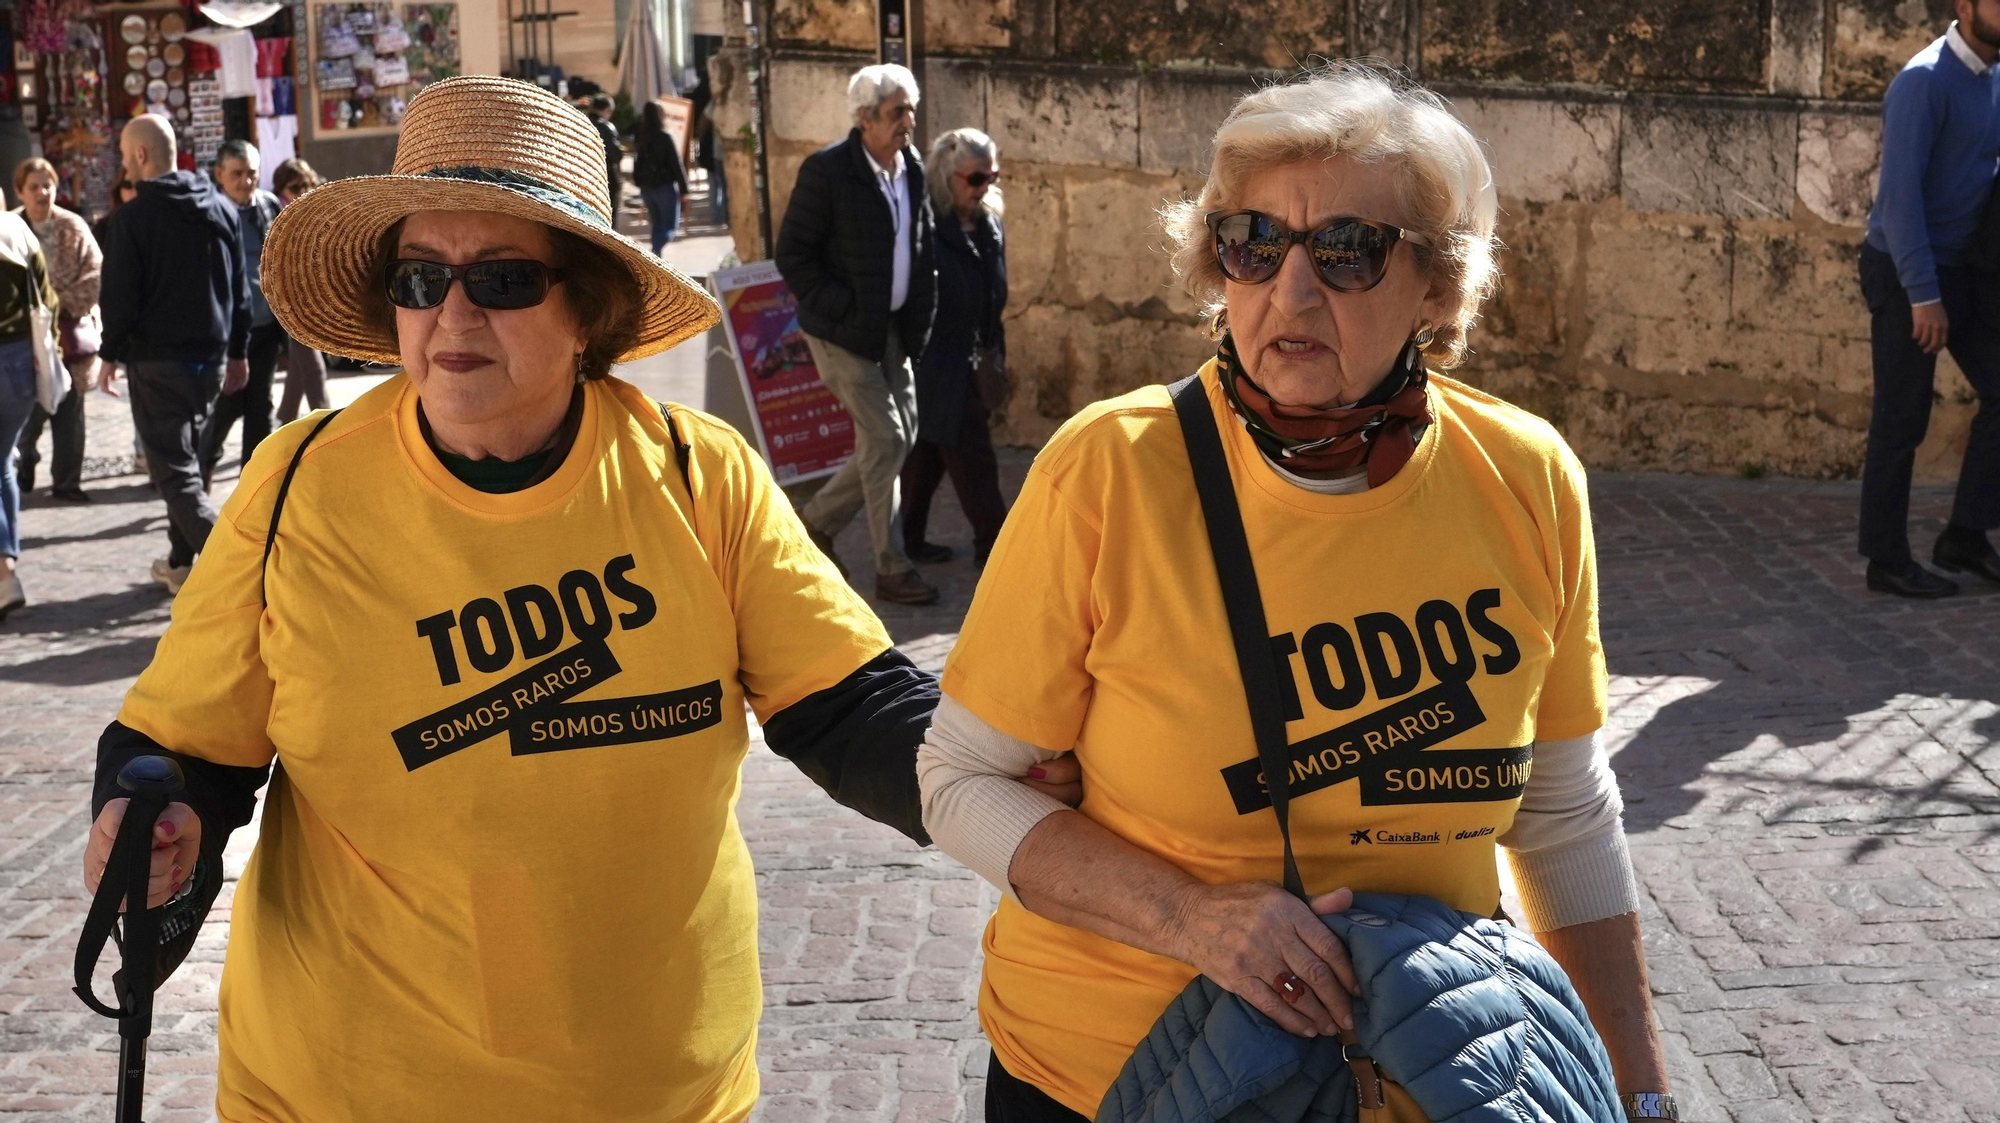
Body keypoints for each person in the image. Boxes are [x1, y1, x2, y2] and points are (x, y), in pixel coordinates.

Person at [77, 75, 1082, 1122]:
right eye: (419, 278)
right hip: (342, 1089)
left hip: (655, 1092)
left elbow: (847, 705)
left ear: (587, 306)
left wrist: (1002, 768)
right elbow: (184, 748)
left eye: (504, 278)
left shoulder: (697, 474)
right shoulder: (295, 487)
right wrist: (154, 819)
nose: (451, 311)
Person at [918, 65, 1677, 1123]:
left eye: (1347, 251)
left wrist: (1639, 1091)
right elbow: (959, 779)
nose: (1292, 290)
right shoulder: (1111, 470)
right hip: (1118, 1076)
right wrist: (1192, 918)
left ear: (1438, 284)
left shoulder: (1523, 476)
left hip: (1409, 1075)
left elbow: (1559, 816)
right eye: (1253, 244)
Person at [774, 63, 940, 605]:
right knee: (886, 439)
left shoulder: (910, 167)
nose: (908, 122)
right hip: (843, 332)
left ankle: (816, 523)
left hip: (891, 327)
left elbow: (922, 247)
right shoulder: (828, 171)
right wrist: (843, 308)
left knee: (900, 437)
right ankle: (891, 567)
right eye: (897, 112)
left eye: (911, 110)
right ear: (865, 117)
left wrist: (920, 316)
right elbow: (793, 255)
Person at [1857, 0, 2000, 598]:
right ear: (1965, 8)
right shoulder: (1922, 81)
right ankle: (1886, 559)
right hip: (1905, 271)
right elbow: (1899, 201)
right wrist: (1923, 296)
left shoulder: (1993, 76)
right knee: (1901, 419)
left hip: (1965, 267)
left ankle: (1964, 535)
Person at [98, 114, 250, 596]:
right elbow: (240, 290)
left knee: (176, 472)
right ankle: (182, 562)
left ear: (141, 155)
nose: (124, 165)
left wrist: (109, 354)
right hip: (210, 358)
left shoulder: (133, 220)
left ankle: (245, 570)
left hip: (159, 362)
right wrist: (238, 351)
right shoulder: (220, 209)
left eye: (125, 157)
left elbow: (119, 297)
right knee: (184, 465)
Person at [901, 128, 1009, 567]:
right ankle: (997, 544)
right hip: (937, 361)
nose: (985, 188)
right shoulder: (925, 226)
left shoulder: (988, 225)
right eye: (976, 179)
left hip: (975, 356)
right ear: (948, 175)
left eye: (992, 177)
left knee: (927, 454)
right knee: (973, 458)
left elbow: (992, 295)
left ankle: (906, 538)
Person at [13, 156, 102, 503]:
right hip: (23, 338)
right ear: (20, 191)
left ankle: (67, 481)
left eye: (47, 185)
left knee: (69, 409)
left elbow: (94, 274)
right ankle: (23, 459)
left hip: (66, 334)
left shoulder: (72, 226)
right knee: (28, 410)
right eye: (33, 187)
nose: (42, 193)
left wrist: (55, 304)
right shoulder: (10, 229)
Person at [199, 139, 284, 475]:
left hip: (264, 328)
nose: (246, 181)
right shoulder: (208, 214)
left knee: (260, 409)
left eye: (252, 173)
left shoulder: (268, 206)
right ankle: (201, 472)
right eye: (237, 174)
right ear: (220, 174)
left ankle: (254, 484)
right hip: (227, 333)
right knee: (224, 408)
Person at [0, 208, 59, 618]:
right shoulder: (18, 230)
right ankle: (7, 570)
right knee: (3, 460)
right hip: (22, 358)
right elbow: (47, 297)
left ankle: (4, 571)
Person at [269, 158, 330, 421]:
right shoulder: (275, 214)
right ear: (281, 189)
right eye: (295, 188)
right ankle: (326, 421)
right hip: (288, 299)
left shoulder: (314, 209)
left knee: (299, 364)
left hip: (312, 296)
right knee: (314, 367)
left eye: (306, 184)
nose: (303, 191)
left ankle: (285, 416)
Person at [633, 99, 689, 255]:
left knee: (657, 224)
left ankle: (657, 258)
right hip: (664, 187)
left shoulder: (640, 136)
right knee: (670, 227)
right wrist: (684, 189)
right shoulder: (665, 137)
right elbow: (676, 164)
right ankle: (655, 250)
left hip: (646, 187)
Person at [590, 93, 623, 218]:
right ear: (607, 110)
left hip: (586, 177)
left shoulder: (583, 122)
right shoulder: (606, 128)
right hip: (607, 178)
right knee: (608, 217)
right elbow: (616, 155)